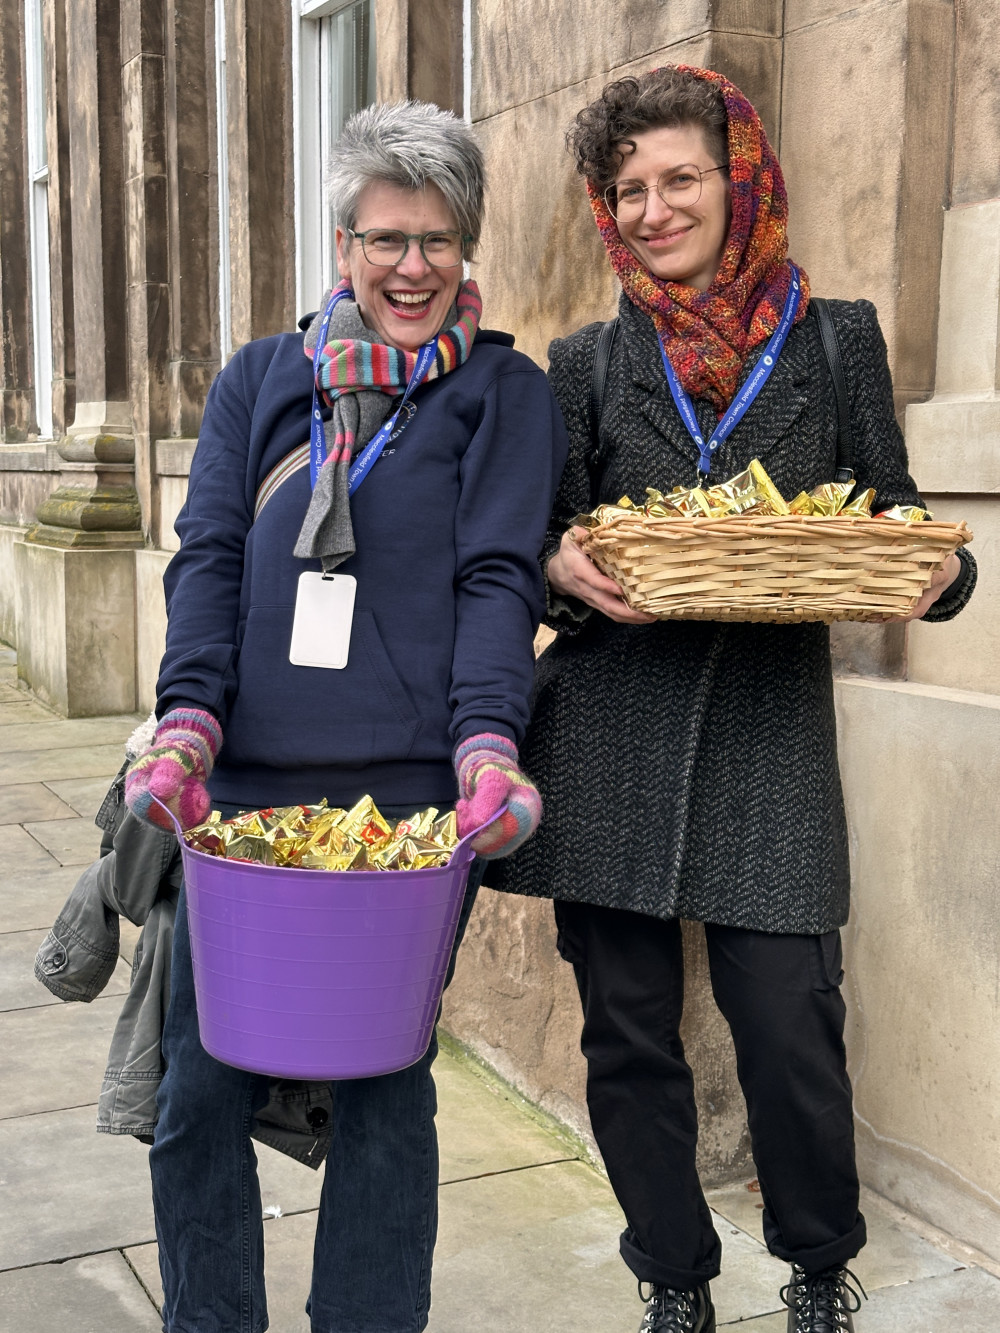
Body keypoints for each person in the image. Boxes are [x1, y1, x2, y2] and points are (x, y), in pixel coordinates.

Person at [491, 66, 977, 1333]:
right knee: (629, 1038)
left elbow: (897, 514)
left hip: (769, 733)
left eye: (679, 179)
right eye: (628, 189)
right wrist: (558, 562)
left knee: (790, 1024)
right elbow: (539, 535)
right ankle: (672, 1279)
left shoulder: (840, 338)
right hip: (608, 728)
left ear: (739, 178)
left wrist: (939, 578)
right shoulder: (586, 360)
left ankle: (818, 1265)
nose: (654, 210)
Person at [123, 100, 566, 1333]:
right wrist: (186, 726)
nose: (411, 267)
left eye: (436, 240)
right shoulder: (260, 381)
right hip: (244, 795)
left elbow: (497, 580)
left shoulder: (501, 394)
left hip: (412, 803)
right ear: (341, 246)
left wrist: (488, 743)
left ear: (465, 247)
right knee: (198, 1088)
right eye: (385, 238)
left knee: (384, 1085)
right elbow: (207, 557)